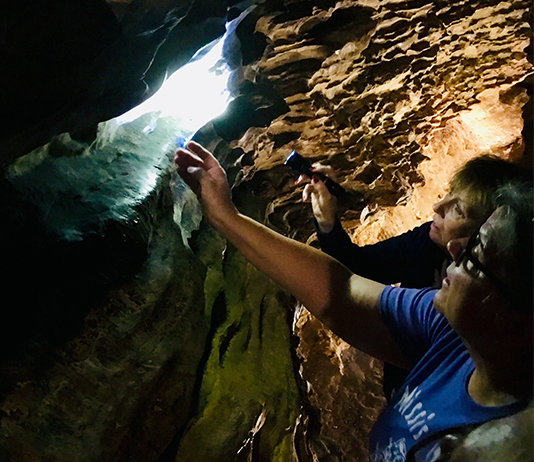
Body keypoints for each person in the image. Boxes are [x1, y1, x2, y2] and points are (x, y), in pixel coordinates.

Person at [174, 141, 532, 462]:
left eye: (476, 250)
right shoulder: (449, 327)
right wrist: (225, 216)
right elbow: (341, 292)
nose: (456, 251)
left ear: (516, 306)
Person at [298, 155, 531, 400]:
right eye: (448, 193)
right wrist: (327, 219)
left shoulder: (495, 302)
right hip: (405, 389)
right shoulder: (428, 243)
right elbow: (359, 266)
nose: (437, 206)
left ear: (491, 229)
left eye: (458, 210)